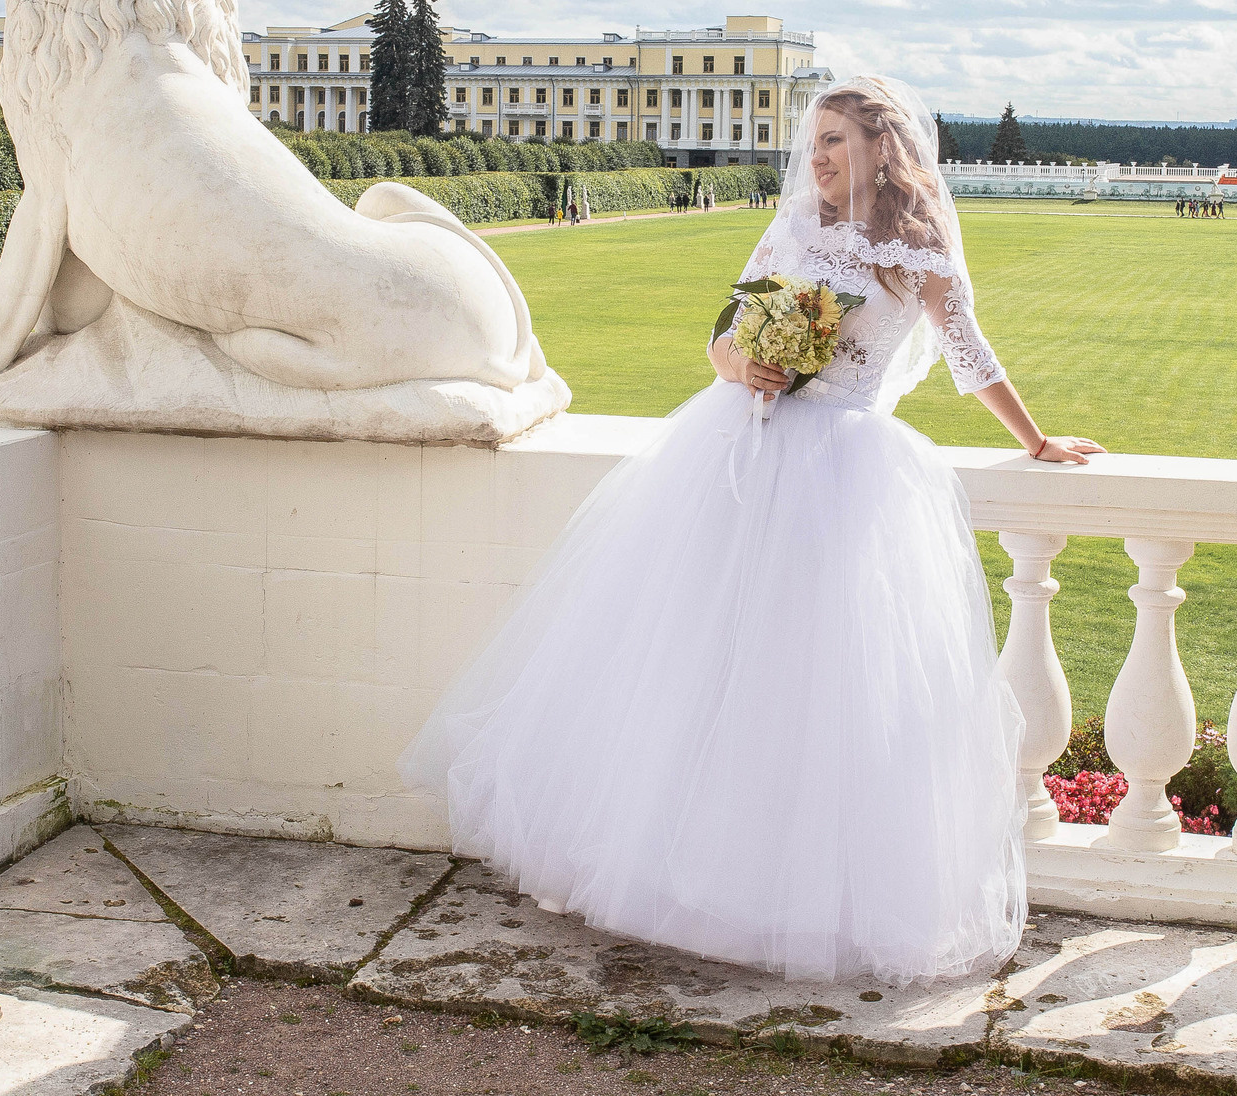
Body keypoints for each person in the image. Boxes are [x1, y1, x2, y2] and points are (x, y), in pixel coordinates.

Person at [401, 75, 1102, 988]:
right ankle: (658, 861)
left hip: (843, 471)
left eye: (836, 143)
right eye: (813, 142)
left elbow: (972, 356)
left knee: (808, 678)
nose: (816, 158)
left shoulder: (918, 252)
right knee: (693, 651)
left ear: (883, 151)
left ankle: (781, 892)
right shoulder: (798, 224)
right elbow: (725, 330)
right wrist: (742, 364)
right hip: (737, 450)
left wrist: (1037, 439)